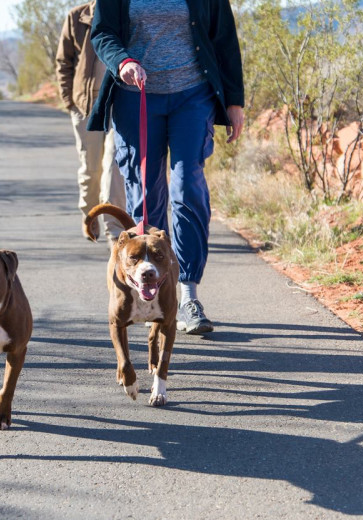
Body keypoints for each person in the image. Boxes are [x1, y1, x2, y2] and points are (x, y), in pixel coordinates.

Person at [88, 0, 245, 335]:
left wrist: (234, 101)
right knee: (146, 193)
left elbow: (224, 40)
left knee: (188, 185)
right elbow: (102, 34)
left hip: (193, 94)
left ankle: (187, 295)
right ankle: (152, 293)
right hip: (136, 96)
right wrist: (123, 60)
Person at [55, 1, 126, 244]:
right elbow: (63, 62)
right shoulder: (77, 17)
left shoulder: (125, 10)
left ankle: (115, 231)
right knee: (91, 168)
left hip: (120, 101)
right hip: (86, 105)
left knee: (115, 167)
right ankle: (90, 217)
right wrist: (70, 102)